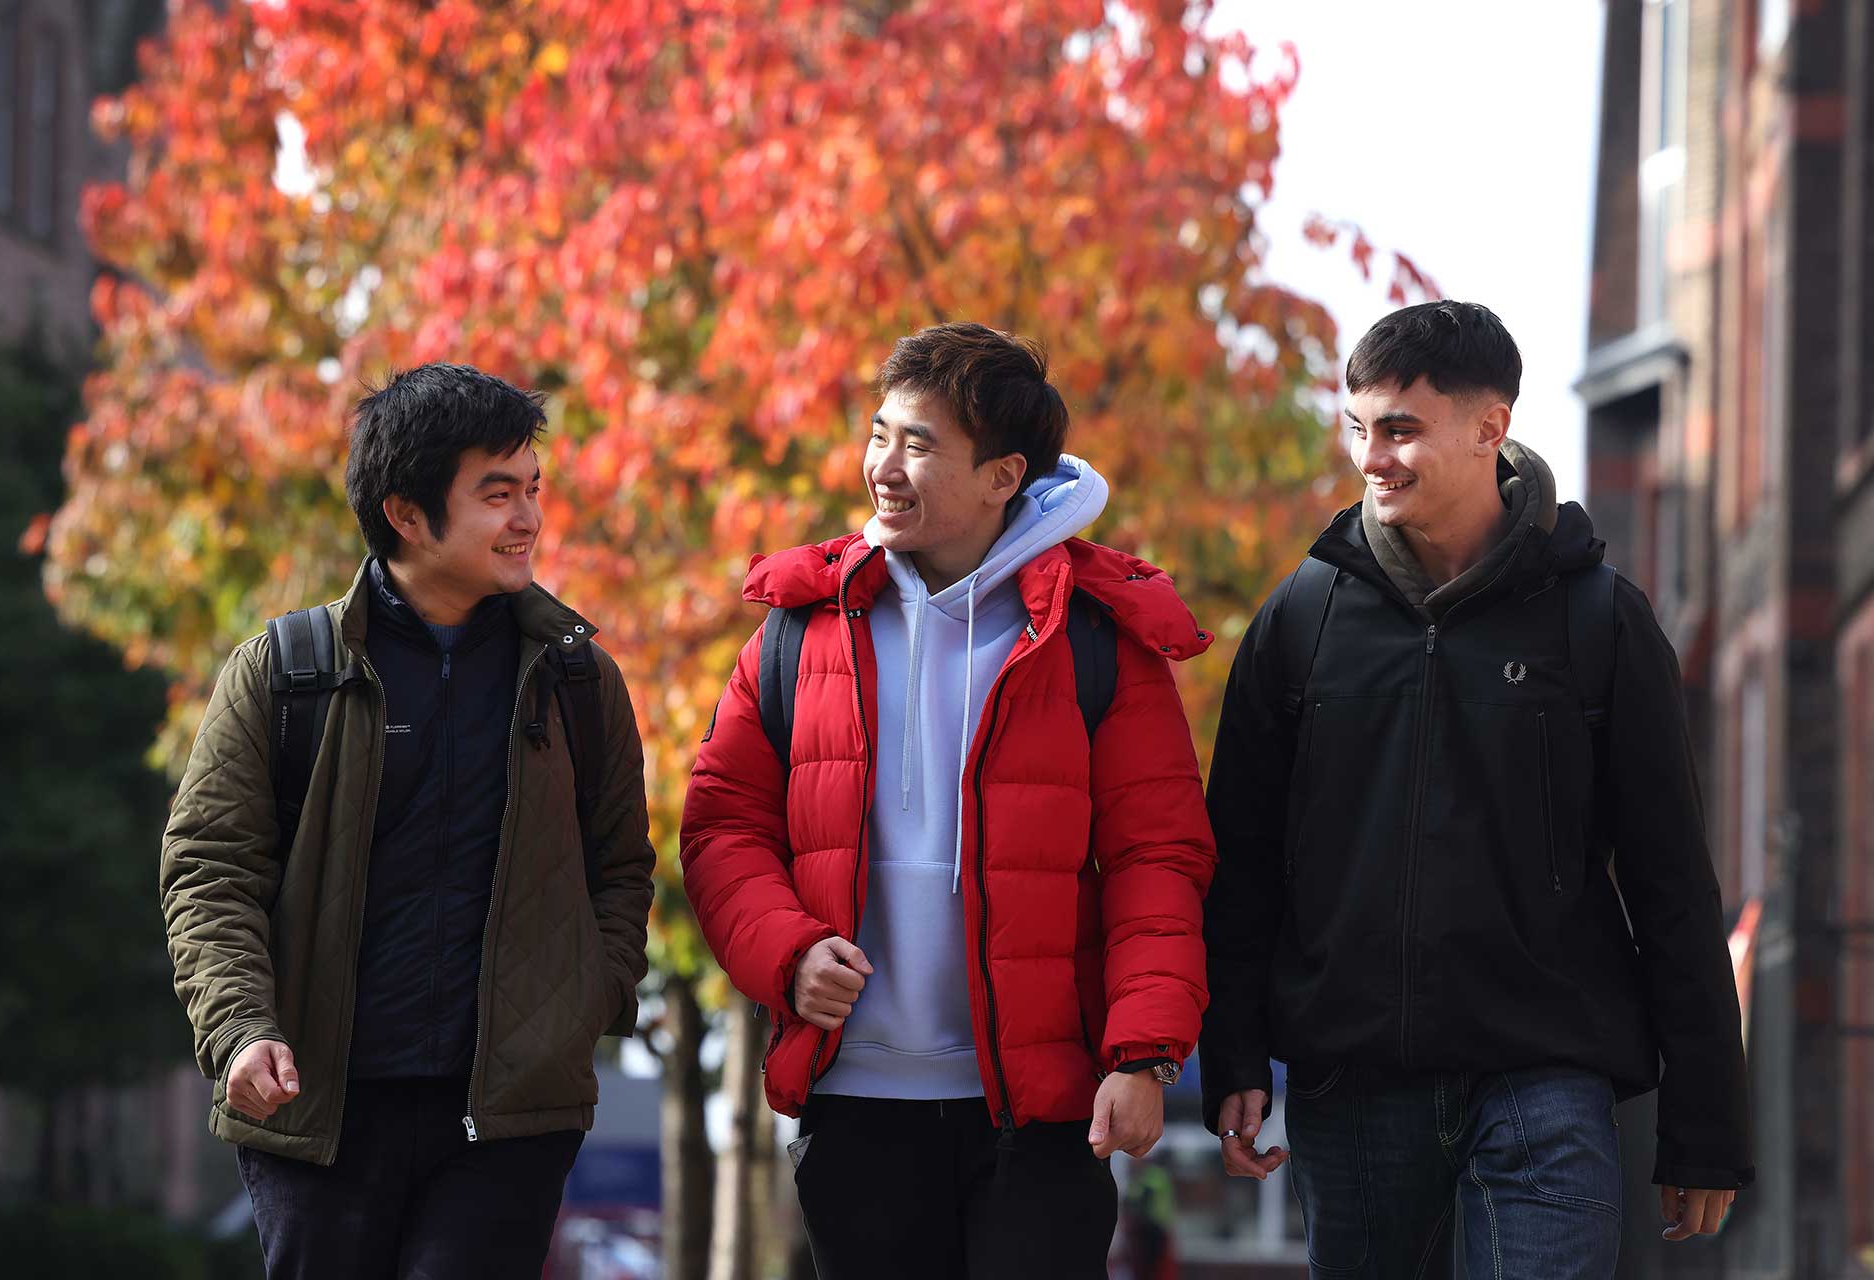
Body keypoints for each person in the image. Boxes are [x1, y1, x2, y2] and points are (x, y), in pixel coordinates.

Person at [1199, 301, 1753, 1278]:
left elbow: (1673, 879)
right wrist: (1235, 1053)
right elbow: (1240, 858)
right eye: (1358, 426)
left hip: (1545, 1074)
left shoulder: (1600, 622)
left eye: (1402, 429)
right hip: (1354, 1079)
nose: (1373, 457)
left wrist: (1704, 1120)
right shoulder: (1303, 618)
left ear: (1491, 426)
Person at [680, 322, 1217, 1279]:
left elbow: (1158, 859)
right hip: (856, 1106)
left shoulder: (1097, 640)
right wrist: (787, 954)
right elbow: (723, 824)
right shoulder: (796, 634)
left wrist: (1144, 1055)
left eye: (919, 444)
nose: (883, 465)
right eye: (880, 434)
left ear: (1004, 476)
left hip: (1041, 1114)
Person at [159, 363, 655, 1279]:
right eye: (496, 494)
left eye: (532, 490)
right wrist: (240, 1030)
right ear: (407, 514)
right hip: (317, 1113)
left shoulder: (578, 679)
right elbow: (209, 870)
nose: (529, 519)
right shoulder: (284, 672)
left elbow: (619, 867)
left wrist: (587, 1003)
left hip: (507, 1123)